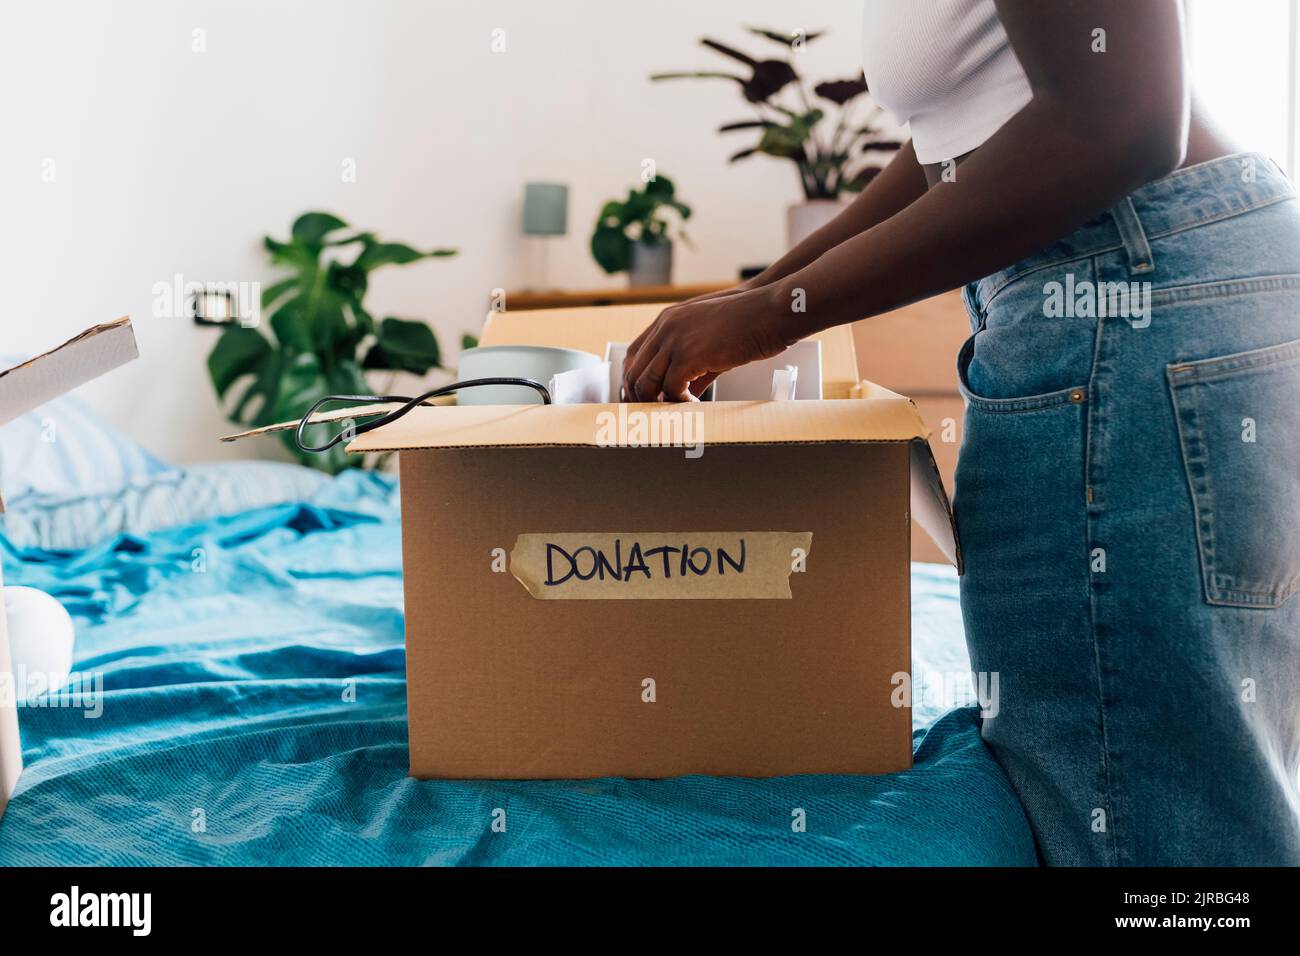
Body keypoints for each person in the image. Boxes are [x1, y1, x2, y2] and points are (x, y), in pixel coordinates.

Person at [622, 0, 1300, 865]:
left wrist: (773, 315)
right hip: (1149, 291)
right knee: (1167, 789)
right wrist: (765, 295)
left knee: (1143, 824)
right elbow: (952, 147)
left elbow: (1119, 119)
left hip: (1131, 298)